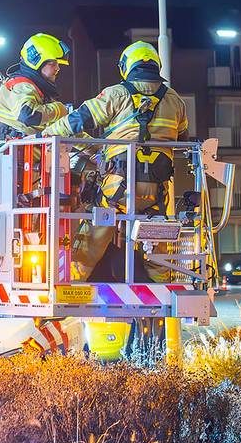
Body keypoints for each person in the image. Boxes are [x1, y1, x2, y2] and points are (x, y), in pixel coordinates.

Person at [42, 41, 188, 280]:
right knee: (158, 241)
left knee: (96, 232)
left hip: (117, 187)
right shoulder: (175, 101)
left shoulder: (116, 94)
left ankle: (72, 282)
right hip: (157, 191)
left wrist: (46, 134)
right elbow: (182, 138)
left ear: (126, 67)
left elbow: (79, 119)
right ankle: (163, 288)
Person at [0, 33, 72, 144]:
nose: (57, 68)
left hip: (27, 154)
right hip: (11, 153)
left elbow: (65, 127)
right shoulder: (21, 86)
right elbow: (28, 115)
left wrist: (94, 148)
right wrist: (58, 109)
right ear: (36, 62)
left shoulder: (39, 90)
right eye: (52, 64)